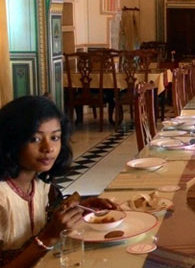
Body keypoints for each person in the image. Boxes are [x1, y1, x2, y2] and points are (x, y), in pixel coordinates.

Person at [0, 96, 117, 267]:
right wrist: (48, 237)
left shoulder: (41, 186)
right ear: (12, 141)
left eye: (55, 137)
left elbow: (51, 220)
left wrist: (80, 210)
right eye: (35, 139)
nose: (48, 148)